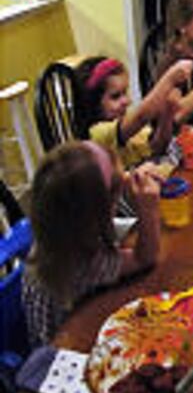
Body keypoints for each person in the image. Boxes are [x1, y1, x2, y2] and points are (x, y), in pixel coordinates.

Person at [23, 141, 163, 348]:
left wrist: (122, 181)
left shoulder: (60, 229)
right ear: (95, 218)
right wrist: (148, 209)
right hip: (70, 350)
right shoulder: (81, 264)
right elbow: (145, 258)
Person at [74, 56, 192, 169]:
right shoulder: (97, 134)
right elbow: (141, 116)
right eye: (116, 96)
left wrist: (168, 111)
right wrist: (170, 78)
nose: (127, 101)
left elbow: (157, 147)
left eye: (125, 92)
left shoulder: (125, 123)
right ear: (93, 103)